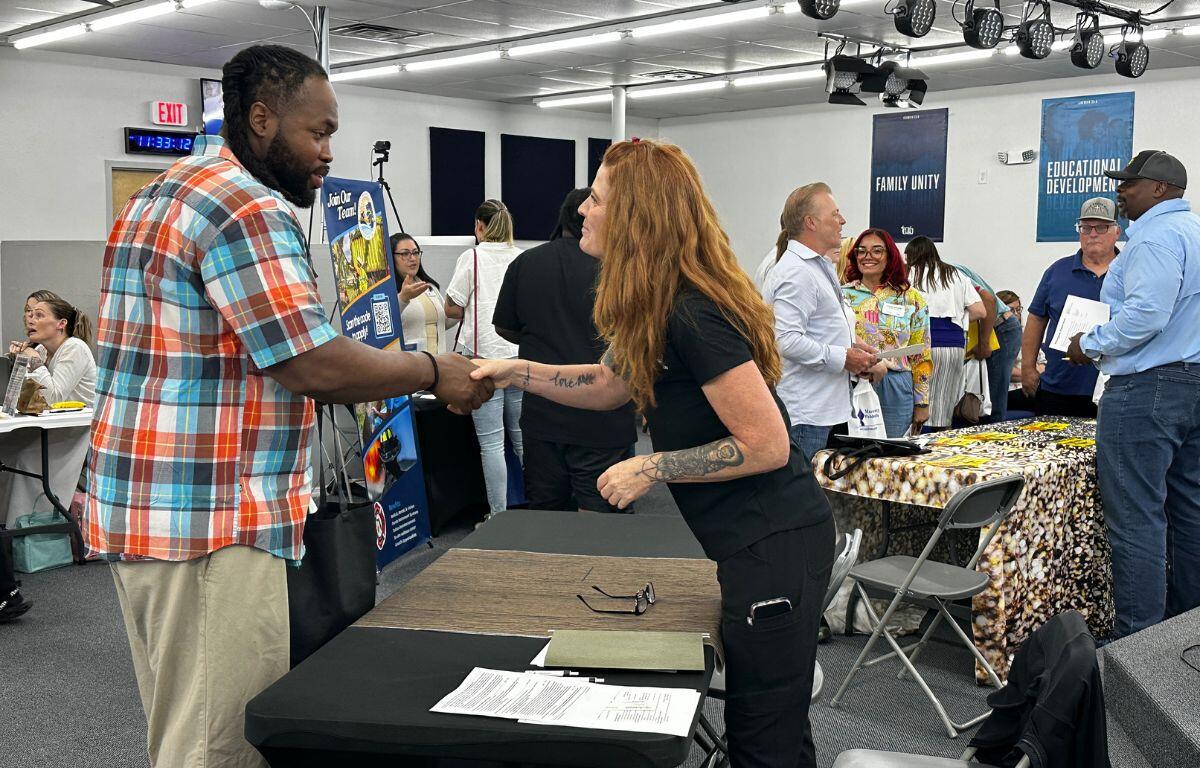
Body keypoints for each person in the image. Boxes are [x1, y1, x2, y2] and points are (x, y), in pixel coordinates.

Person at [85, 45, 491, 768]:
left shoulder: (159, 193)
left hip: (147, 507)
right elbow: (311, 361)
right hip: (210, 517)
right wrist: (435, 370)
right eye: (319, 132)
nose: (328, 152)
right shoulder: (244, 206)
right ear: (261, 118)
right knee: (222, 741)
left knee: (181, 722)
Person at [474, 139, 835, 768]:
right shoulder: (659, 304)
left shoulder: (692, 313)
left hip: (775, 542)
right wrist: (518, 372)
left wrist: (654, 465)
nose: (583, 209)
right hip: (749, 541)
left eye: (598, 198)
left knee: (764, 739)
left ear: (635, 216)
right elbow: (609, 384)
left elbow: (767, 445)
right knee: (769, 728)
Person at [1066, 150, 1200, 638]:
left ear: (1161, 189)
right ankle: (1183, 636)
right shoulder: (1195, 232)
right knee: (1189, 512)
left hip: (1149, 389)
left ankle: (1137, 643)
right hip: (1193, 384)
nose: (1121, 191)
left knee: (1137, 519)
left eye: (1131, 183)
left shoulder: (1155, 238)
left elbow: (1146, 315)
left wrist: (1089, 344)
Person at [493, 188, 636, 513]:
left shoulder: (526, 263)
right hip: (603, 419)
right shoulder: (620, 271)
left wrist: (540, 339)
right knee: (603, 521)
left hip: (544, 411)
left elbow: (504, 326)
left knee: (547, 517)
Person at [762, 184, 876, 460]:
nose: (842, 221)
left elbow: (822, 329)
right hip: (807, 413)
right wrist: (844, 357)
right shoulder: (797, 272)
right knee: (803, 500)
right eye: (835, 214)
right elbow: (784, 340)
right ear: (810, 222)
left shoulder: (814, 267)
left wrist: (854, 352)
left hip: (824, 409)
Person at [446, 199, 525, 521]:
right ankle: (542, 509)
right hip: (519, 360)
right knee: (523, 439)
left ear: (479, 226)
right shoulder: (523, 258)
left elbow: (453, 307)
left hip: (483, 362)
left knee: (491, 444)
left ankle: (498, 518)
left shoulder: (472, 257)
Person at [1, 291, 96, 529]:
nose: (30, 319)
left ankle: (24, 527)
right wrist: (18, 362)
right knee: (6, 449)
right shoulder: (42, 351)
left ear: (61, 324)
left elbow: (52, 397)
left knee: (21, 458)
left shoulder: (75, 347)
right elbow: (28, 399)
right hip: (53, 425)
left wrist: (35, 363)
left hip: (77, 430)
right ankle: (7, 524)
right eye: (29, 314)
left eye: (39, 315)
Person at [1023, 197, 1121, 418]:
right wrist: (1028, 367)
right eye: (1086, 227)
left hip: (1115, 386)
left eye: (1101, 227)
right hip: (1059, 386)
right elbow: (1036, 319)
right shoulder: (1057, 271)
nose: (1092, 234)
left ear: (1117, 231)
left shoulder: (1131, 272)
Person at [842, 229, 932, 437]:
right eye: (861, 251)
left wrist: (922, 402)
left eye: (877, 251)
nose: (868, 256)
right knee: (854, 451)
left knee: (892, 450)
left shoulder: (911, 298)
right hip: (852, 380)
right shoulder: (842, 295)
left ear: (890, 256)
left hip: (895, 384)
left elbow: (922, 354)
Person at [906, 236, 986, 429]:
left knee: (919, 402)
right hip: (955, 345)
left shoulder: (911, 274)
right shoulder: (956, 274)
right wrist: (959, 318)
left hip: (923, 344)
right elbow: (980, 311)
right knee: (944, 405)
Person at [954, 262, 1017, 422]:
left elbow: (988, 300)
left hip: (1000, 327)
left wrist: (984, 343)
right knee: (972, 401)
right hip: (977, 331)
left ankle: (993, 444)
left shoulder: (951, 272)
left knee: (991, 403)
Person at [392, 232, 456, 353]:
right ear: (391, 257)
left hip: (438, 364)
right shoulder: (386, 291)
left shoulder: (429, 286)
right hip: (408, 366)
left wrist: (461, 307)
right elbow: (384, 325)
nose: (412, 258)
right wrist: (402, 298)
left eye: (416, 252)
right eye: (405, 253)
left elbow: (444, 322)